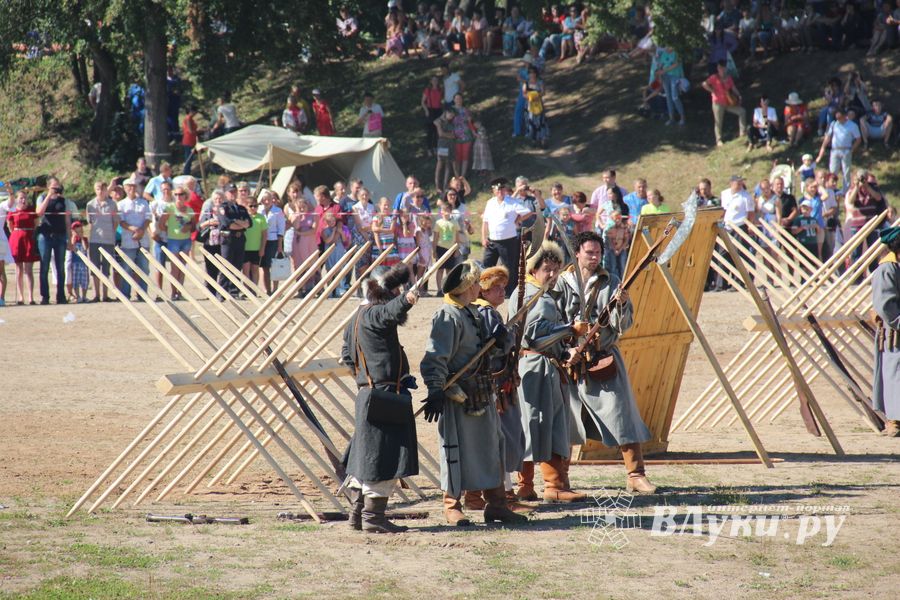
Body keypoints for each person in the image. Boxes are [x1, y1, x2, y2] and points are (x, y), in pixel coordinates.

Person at [420, 260, 527, 526]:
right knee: (455, 450)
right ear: (468, 286)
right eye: (477, 282)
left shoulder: (475, 313)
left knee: (492, 446)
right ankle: (452, 505)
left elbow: (485, 352)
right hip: (458, 395)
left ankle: (496, 505)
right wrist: (435, 388)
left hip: (481, 390)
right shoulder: (448, 315)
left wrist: (500, 343)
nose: (481, 286)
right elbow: (435, 356)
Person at [557, 231, 656, 494]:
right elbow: (552, 322)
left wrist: (621, 305)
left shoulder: (611, 282)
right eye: (589, 252)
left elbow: (623, 326)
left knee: (621, 413)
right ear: (577, 253)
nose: (594, 257)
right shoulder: (561, 283)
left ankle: (636, 474)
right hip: (568, 360)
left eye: (598, 253)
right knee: (565, 419)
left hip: (603, 358)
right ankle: (558, 481)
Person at [341, 265, 420, 533]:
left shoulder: (355, 319)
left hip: (370, 393)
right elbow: (390, 311)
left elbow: (348, 358)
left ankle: (357, 515)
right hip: (382, 396)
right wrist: (407, 299)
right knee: (380, 458)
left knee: (367, 456)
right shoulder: (374, 313)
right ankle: (374, 518)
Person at [508, 241, 589, 503]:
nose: (552, 275)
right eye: (547, 269)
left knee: (532, 425)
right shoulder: (537, 296)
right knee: (544, 425)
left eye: (556, 269)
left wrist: (565, 350)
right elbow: (535, 337)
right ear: (534, 270)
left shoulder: (527, 292)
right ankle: (553, 486)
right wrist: (570, 330)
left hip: (533, 366)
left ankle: (528, 485)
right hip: (537, 367)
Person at [465, 266, 531, 512]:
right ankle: (503, 498)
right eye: (496, 287)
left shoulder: (481, 312)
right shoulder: (487, 314)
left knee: (495, 442)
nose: (502, 291)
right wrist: (513, 333)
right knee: (499, 442)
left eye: (504, 287)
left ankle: (481, 496)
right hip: (494, 387)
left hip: (493, 385)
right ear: (483, 289)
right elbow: (498, 346)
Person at [481, 178, 531, 297]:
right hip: (492, 240)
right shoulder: (490, 202)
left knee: (509, 267)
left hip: (508, 241)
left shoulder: (512, 202)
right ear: (493, 190)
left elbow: (527, 212)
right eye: (498, 190)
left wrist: (518, 219)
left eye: (502, 189)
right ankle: (485, 289)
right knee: (487, 264)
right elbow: (485, 222)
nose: (500, 192)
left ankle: (509, 292)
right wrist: (483, 237)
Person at [872, 226, 900, 437]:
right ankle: (894, 420)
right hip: (895, 334)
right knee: (894, 376)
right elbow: (886, 305)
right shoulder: (887, 269)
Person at [35, 178, 71, 305]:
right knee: (44, 266)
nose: (56, 188)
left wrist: (70, 239)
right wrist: (49, 195)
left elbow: (67, 220)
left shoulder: (63, 200)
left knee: (60, 267)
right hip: (45, 236)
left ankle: (61, 296)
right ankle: (45, 296)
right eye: (53, 186)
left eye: (57, 186)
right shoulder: (42, 197)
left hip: (60, 235)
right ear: (48, 186)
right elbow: (39, 212)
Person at [158, 186, 196, 300]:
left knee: (183, 267)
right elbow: (161, 224)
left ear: (185, 196)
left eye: (181, 194)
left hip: (186, 240)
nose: (178, 197)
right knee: (175, 267)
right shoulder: (169, 207)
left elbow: (194, 226)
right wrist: (171, 232)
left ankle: (180, 292)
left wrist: (188, 226)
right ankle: (173, 292)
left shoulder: (189, 210)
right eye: (176, 195)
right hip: (173, 240)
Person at [117, 177, 151, 300]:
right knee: (127, 268)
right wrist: (134, 229)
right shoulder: (120, 204)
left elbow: (148, 218)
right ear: (125, 188)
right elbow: (121, 222)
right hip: (128, 239)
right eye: (129, 186)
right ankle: (126, 294)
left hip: (143, 239)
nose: (132, 188)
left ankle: (143, 294)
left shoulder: (144, 202)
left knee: (144, 268)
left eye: (134, 186)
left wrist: (141, 230)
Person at [85, 181, 118, 302]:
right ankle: (96, 294)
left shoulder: (112, 204)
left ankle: (105, 294)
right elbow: (90, 222)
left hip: (108, 240)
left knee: (106, 268)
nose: (100, 191)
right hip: (94, 239)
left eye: (102, 189)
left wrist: (110, 233)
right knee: (95, 268)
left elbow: (116, 221)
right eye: (97, 189)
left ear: (106, 190)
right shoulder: (90, 204)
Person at [701, 59, 747, 147]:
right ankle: (719, 140)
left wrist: (739, 95)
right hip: (718, 103)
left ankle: (743, 132)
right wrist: (712, 91)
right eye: (720, 68)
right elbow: (704, 84)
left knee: (742, 112)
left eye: (723, 68)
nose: (721, 69)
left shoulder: (728, 78)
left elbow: (733, 88)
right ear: (718, 68)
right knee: (718, 121)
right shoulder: (714, 77)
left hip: (729, 101)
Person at [216, 184, 251, 297]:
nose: (233, 194)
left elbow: (249, 223)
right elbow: (227, 224)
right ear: (226, 193)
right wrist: (241, 224)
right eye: (230, 192)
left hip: (240, 239)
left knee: (237, 266)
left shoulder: (241, 208)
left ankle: (233, 291)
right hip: (228, 239)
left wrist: (237, 222)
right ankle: (222, 291)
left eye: (234, 192)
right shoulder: (223, 207)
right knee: (226, 265)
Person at [815, 109, 861, 193]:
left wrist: (852, 150)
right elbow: (828, 137)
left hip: (846, 150)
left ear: (844, 116)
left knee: (846, 171)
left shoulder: (852, 125)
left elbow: (858, 139)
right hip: (834, 150)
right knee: (832, 171)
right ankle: (831, 189)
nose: (838, 119)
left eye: (840, 117)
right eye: (837, 118)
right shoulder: (834, 124)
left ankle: (845, 191)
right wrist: (822, 150)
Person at [6, 191, 39, 305]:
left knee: (29, 270)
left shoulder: (31, 209)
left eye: (24, 198)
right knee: (19, 269)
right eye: (21, 198)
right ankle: (20, 297)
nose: (23, 200)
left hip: (28, 239)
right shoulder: (13, 211)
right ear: (16, 199)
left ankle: (31, 297)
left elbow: (36, 224)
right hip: (16, 240)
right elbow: (9, 225)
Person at [258, 189, 286, 295]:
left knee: (275, 265)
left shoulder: (277, 211)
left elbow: (281, 228)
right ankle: (267, 289)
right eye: (264, 199)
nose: (266, 201)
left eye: (268, 199)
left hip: (274, 240)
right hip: (261, 240)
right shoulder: (259, 210)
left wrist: (279, 245)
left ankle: (275, 289)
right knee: (265, 266)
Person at [650, 45, 686, 126]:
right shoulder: (664, 53)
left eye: (668, 46)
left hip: (675, 76)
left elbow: (676, 64)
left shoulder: (677, 53)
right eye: (665, 46)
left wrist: (663, 71)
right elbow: (661, 65)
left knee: (675, 97)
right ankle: (671, 118)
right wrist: (658, 70)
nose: (666, 48)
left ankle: (682, 117)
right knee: (668, 97)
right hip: (665, 77)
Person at [198, 190, 225, 294]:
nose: (218, 200)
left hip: (223, 243)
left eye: (220, 198)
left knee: (222, 268)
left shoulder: (226, 210)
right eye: (216, 199)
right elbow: (199, 226)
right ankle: (210, 291)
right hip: (210, 243)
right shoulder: (208, 211)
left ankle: (222, 291)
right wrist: (208, 222)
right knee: (210, 268)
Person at [433, 201, 462, 291]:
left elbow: (457, 237)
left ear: (451, 211)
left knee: (449, 270)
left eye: (447, 210)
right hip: (440, 248)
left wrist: (457, 249)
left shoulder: (454, 223)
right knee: (440, 269)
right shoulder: (438, 222)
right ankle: (439, 289)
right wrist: (434, 251)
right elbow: (435, 238)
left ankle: (447, 288)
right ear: (441, 211)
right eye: (443, 210)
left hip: (451, 249)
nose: (445, 212)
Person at [240, 196, 267, 287]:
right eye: (251, 206)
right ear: (246, 206)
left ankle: (255, 289)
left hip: (256, 248)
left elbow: (264, 234)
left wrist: (262, 248)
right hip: (245, 247)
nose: (253, 208)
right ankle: (246, 290)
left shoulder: (261, 217)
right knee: (246, 270)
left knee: (255, 269)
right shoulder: (243, 217)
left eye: (255, 206)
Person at [522, 67, 549, 148]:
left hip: (538, 104)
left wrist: (537, 95)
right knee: (531, 122)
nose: (532, 74)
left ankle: (543, 140)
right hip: (529, 106)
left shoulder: (540, 82)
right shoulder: (526, 83)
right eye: (530, 73)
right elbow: (524, 94)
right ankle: (533, 140)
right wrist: (529, 97)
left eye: (533, 73)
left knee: (541, 122)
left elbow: (543, 92)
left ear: (536, 74)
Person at [603, 210, 630, 282]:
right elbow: (609, 240)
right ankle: (614, 282)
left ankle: (623, 281)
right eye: (615, 217)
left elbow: (626, 239)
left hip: (622, 248)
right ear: (612, 218)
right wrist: (614, 249)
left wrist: (620, 249)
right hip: (612, 249)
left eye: (619, 217)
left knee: (622, 265)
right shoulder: (610, 228)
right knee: (613, 266)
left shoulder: (624, 228)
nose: (617, 219)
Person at [434, 108, 455, 192]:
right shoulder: (439, 121)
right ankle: (437, 185)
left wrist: (448, 135)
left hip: (450, 145)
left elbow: (454, 134)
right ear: (446, 112)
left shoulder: (451, 122)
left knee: (448, 165)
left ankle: (445, 185)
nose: (451, 117)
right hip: (442, 145)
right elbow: (441, 134)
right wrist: (449, 135)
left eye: (453, 115)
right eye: (450, 115)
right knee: (440, 164)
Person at [421, 76, 443, 155]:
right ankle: (429, 148)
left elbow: (440, 101)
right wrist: (426, 110)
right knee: (430, 131)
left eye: (436, 80)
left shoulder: (440, 90)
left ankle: (435, 147)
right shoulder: (428, 90)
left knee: (437, 130)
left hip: (438, 111)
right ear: (431, 81)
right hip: (430, 110)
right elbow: (423, 102)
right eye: (433, 80)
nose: (435, 81)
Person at [69, 222, 89, 303]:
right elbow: (72, 248)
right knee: (75, 280)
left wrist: (82, 238)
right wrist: (73, 237)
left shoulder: (84, 239)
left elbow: (85, 248)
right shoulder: (72, 239)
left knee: (84, 280)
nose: (78, 233)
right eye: (76, 230)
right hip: (75, 263)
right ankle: (78, 296)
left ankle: (84, 296)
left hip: (83, 263)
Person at [181, 105, 200, 175]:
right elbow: (190, 130)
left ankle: (188, 172)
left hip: (192, 140)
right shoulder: (188, 118)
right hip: (188, 140)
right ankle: (186, 173)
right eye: (195, 112)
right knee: (188, 158)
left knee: (190, 158)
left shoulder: (191, 119)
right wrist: (199, 131)